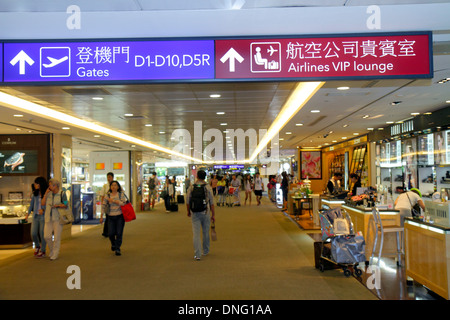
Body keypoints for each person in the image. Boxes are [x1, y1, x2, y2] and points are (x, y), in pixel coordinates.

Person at [186, 170, 215, 261]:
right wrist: (213, 214)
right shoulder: (208, 187)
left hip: (195, 212)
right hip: (206, 212)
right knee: (205, 232)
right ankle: (205, 250)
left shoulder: (192, 187)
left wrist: (188, 211)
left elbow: (187, 201)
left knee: (196, 233)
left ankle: (197, 254)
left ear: (197, 176)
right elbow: (212, 202)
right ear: (205, 177)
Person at [41, 178, 68, 261]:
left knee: (56, 237)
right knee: (46, 236)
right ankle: (52, 250)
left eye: (50, 185)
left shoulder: (62, 193)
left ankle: (55, 253)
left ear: (55, 186)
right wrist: (45, 194)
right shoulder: (48, 194)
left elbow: (66, 204)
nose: (49, 187)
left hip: (58, 218)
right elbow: (42, 204)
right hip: (48, 217)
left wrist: (58, 205)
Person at [101, 180, 127, 256]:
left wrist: (114, 201)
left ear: (118, 187)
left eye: (115, 185)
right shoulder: (107, 195)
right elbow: (103, 205)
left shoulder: (121, 194)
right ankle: (113, 243)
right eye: (112, 185)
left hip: (120, 216)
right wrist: (101, 216)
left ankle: (118, 248)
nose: (114, 186)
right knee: (111, 233)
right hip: (110, 217)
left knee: (119, 233)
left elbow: (123, 203)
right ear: (110, 187)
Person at [25, 176, 48, 258]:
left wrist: (43, 210)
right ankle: (37, 246)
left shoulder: (46, 194)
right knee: (33, 233)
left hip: (43, 216)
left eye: (36, 183)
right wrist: (27, 213)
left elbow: (49, 205)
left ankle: (43, 250)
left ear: (40, 184)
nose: (34, 184)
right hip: (35, 216)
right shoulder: (35, 193)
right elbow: (31, 205)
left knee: (42, 234)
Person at [99, 172, 114, 237]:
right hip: (107, 204)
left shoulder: (115, 185)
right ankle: (106, 232)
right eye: (108, 177)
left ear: (112, 177)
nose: (108, 178)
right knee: (108, 218)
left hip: (114, 204)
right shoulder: (105, 186)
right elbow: (102, 195)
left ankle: (112, 231)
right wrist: (103, 203)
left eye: (110, 177)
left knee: (114, 218)